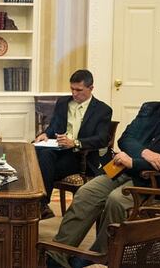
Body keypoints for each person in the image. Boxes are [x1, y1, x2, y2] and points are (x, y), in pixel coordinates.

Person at [47, 74, 160, 268]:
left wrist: (134, 162)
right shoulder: (150, 108)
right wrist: (145, 153)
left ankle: (100, 256)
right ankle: (59, 255)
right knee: (86, 193)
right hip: (123, 169)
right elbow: (125, 138)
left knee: (115, 201)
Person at [34, 69, 112, 219]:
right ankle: (41, 206)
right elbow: (54, 125)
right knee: (38, 154)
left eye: (79, 90)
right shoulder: (63, 102)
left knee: (40, 165)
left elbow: (102, 139)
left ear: (91, 89)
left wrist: (75, 142)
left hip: (80, 156)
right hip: (58, 149)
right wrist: (45, 134)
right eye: (72, 89)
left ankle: (40, 205)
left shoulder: (103, 110)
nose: (74, 93)